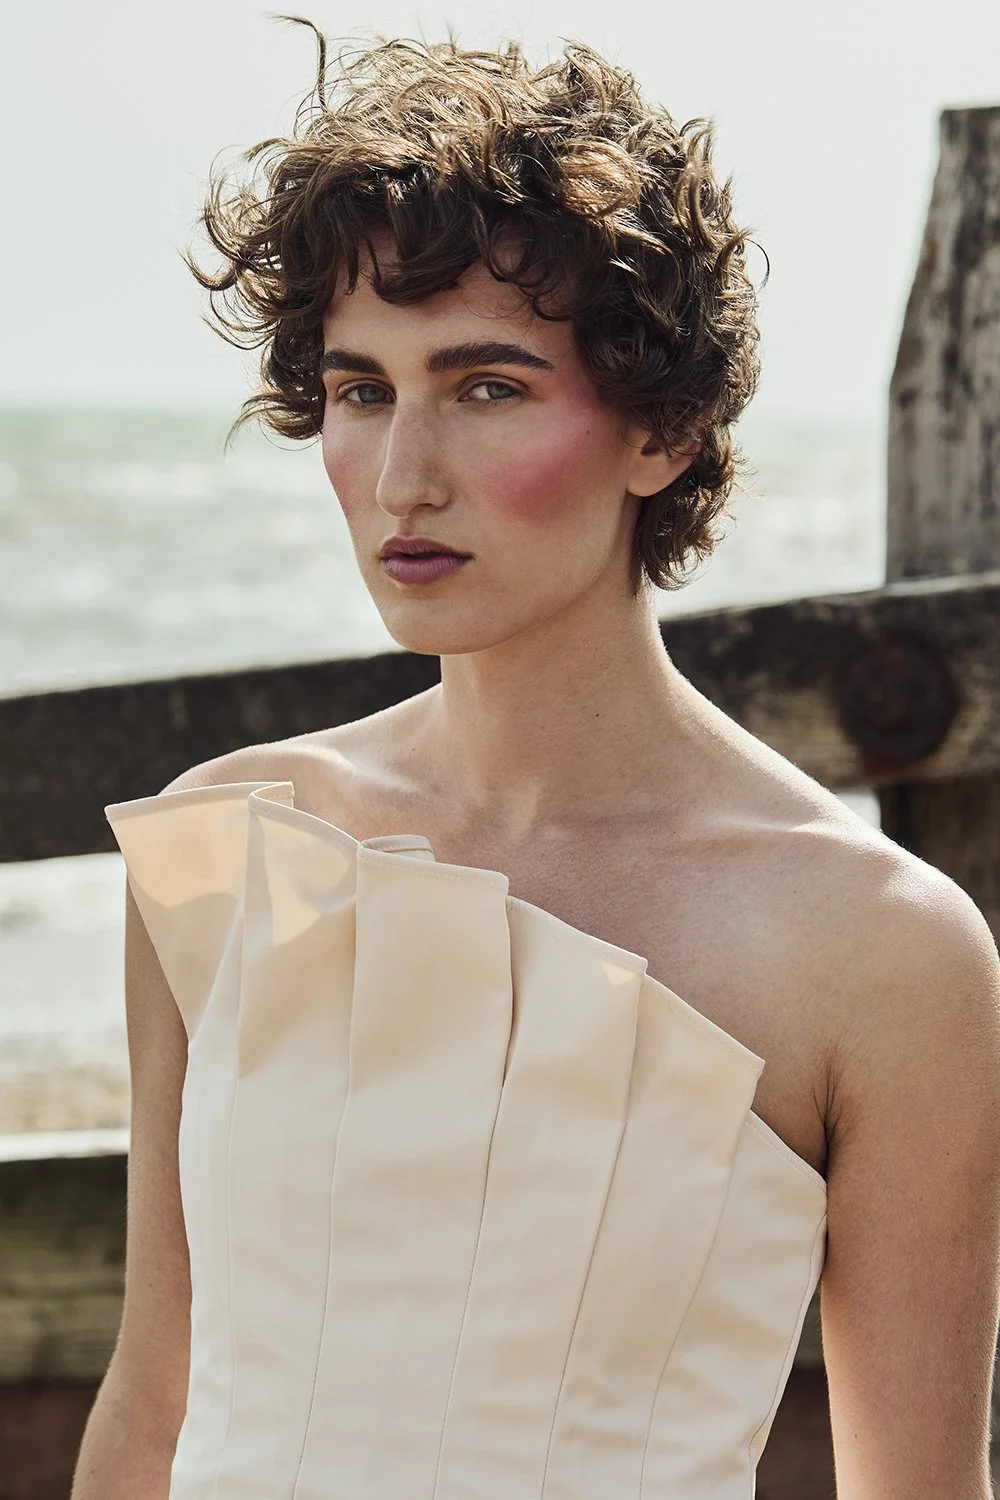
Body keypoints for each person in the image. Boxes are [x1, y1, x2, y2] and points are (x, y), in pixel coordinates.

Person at [72, 22, 1000, 1500]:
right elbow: (153, 1408)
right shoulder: (234, 845)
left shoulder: (881, 954)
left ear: (667, 427)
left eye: (487, 386)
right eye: (361, 388)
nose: (402, 477)